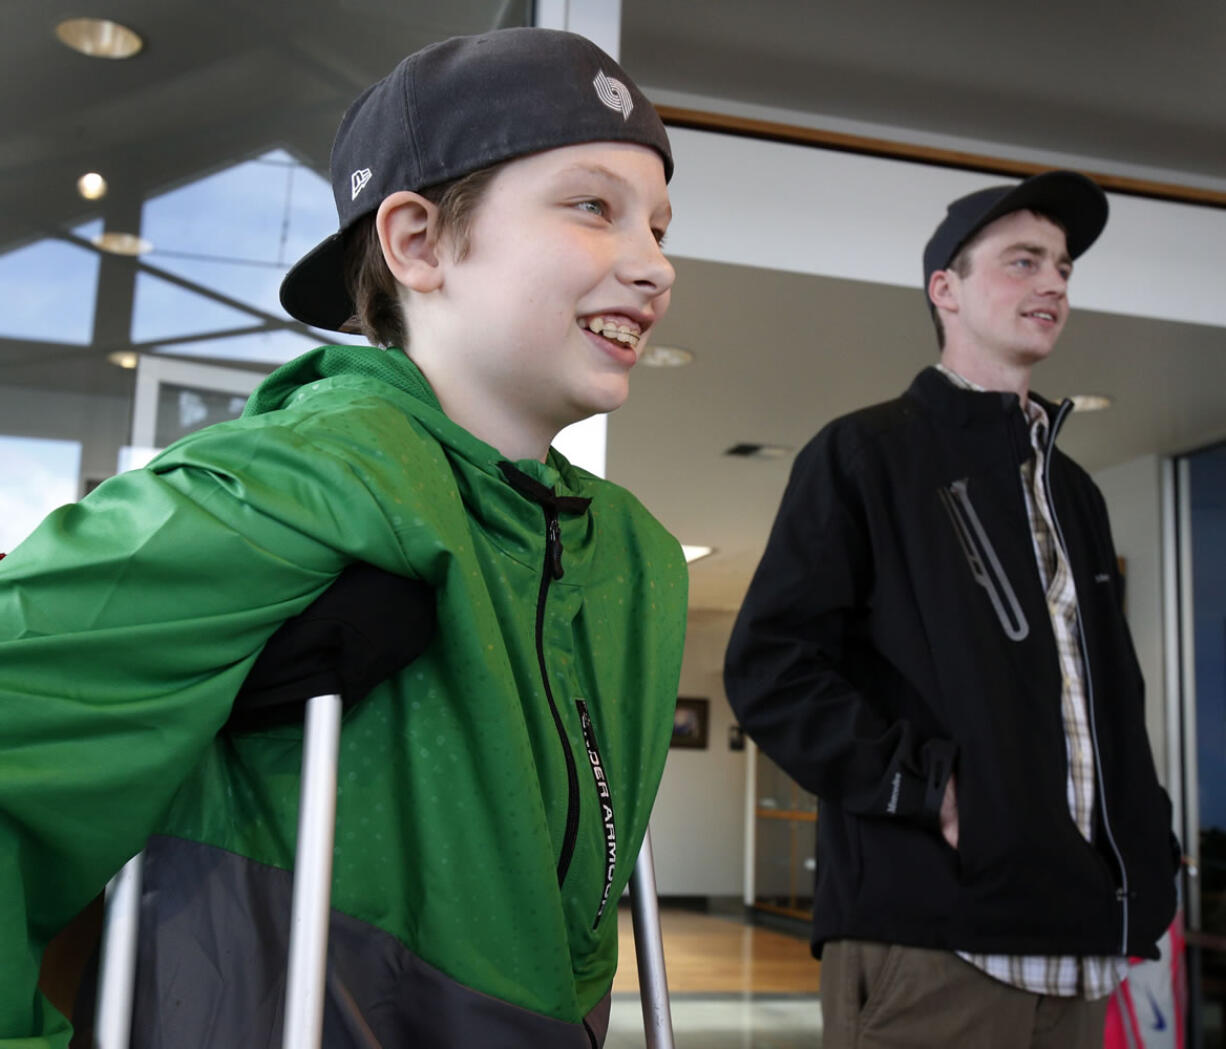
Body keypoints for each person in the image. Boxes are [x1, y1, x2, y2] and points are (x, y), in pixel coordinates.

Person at [0, 27, 687, 1049]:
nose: (653, 265)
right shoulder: (284, 486)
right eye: (593, 206)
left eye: (660, 224)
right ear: (417, 243)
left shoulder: (632, 557)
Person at [724, 170, 1178, 1048]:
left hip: (1081, 953)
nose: (1052, 283)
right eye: (1022, 261)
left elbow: (1109, 705)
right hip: (932, 946)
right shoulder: (863, 454)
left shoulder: (1074, 491)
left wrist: (1147, 865)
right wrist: (925, 788)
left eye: (1062, 268)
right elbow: (769, 666)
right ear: (947, 290)